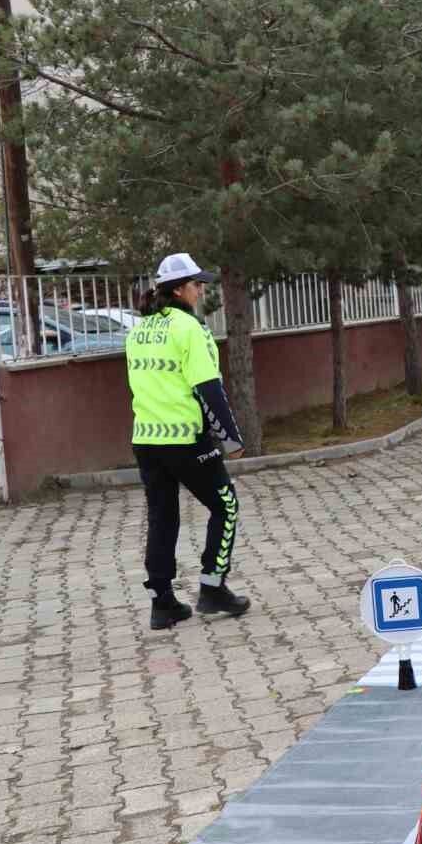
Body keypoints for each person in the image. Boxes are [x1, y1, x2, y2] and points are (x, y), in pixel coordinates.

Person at [126, 253, 251, 630]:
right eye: (197, 284)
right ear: (179, 289)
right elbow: (208, 389)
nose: (202, 289)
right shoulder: (189, 329)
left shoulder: (139, 329)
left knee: (162, 518)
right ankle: (212, 588)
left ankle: (162, 603)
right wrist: (230, 437)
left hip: (146, 439)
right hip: (187, 439)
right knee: (225, 506)